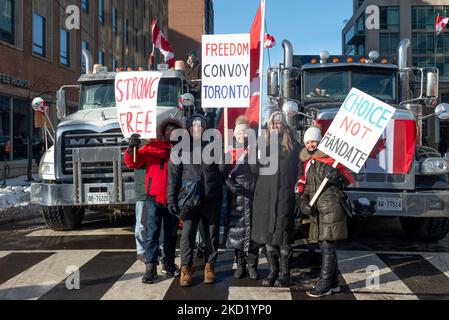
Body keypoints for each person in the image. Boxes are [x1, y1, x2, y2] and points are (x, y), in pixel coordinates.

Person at [298, 125, 354, 298]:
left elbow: (348, 180)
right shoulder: (309, 163)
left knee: (327, 246)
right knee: (326, 246)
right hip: (318, 211)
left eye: (314, 140)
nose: (311, 144)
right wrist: (303, 201)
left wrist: (337, 176)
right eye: (308, 141)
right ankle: (334, 283)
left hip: (332, 208)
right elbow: (306, 185)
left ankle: (324, 284)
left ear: (320, 141)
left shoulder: (332, 159)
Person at [167, 114, 223, 287]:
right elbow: (173, 178)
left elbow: (221, 172)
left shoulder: (213, 147)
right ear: (189, 128)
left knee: (212, 235)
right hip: (190, 199)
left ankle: (209, 266)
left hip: (211, 199)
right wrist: (171, 200)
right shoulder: (180, 149)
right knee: (187, 235)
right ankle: (186, 268)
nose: (197, 128)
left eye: (200, 126)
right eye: (194, 126)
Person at [125, 118, 183, 284]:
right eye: (168, 130)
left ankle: (169, 264)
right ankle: (150, 268)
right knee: (152, 234)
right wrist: (132, 148)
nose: (170, 133)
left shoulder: (181, 150)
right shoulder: (151, 147)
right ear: (162, 131)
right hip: (153, 198)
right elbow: (133, 162)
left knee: (171, 235)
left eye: (174, 130)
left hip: (173, 199)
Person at [252, 111, 300, 287]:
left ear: (284, 125)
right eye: (272, 123)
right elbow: (253, 170)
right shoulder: (261, 145)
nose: (275, 125)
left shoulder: (294, 146)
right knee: (269, 236)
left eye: (278, 123)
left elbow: (301, 172)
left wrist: (297, 194)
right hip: (264, 197)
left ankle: (285, 273)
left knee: (283, 235)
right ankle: (273, 271)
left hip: (284, 197)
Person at [220, 116, 259, 280]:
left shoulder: (255, 148)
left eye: (245, 131)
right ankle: (240, 265)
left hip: (252, 192)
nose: (242, 134)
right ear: (235, 134)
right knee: (236, 231)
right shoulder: (229, 150)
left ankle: (252, 265)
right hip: (234, 195)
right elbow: (222, 173)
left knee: (252, 231)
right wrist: (228, 183)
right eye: (239, 132)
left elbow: (259, 171)